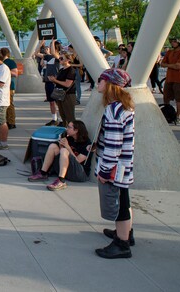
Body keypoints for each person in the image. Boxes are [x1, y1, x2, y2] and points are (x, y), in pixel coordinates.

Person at [94, 68, 135, 259]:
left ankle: (122, 243)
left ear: (110, 84)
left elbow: (113, 146)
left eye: (101, 80)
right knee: (124, 201)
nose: (97, 83)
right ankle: (126, 233)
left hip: (115, 169)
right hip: (123, 166)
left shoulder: (113, 111)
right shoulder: (123, 107)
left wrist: (104, 170)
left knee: (119, 206)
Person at [28, 120, 92, 189]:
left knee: (64, 150)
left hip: (80, 174)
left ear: (76, 130)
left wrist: (67, 147)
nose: (66, 129)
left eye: (69, 127)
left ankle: (61, 181)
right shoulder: (70, 138)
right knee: (53, 146)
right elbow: (61, 153)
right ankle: (43, 173)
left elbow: (77, 161)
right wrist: (61, 145)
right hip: (68, 171)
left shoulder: (87, 144)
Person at [161, 37, 180, 123]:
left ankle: (178, 116)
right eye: (171, 41)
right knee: (166, 96)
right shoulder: (169, 52)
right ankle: (168, 113)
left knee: (179, 99)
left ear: (179, 43)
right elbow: (162, 64)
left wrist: (168, 65)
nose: (172, 43)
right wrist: (172, 65)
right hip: (169, 78)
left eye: (175, 41)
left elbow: (178, 66)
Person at [48, 52, 77, 126]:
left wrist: (55, 80)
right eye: (59, 58)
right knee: (63, 115)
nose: (59, 60)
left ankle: (72, 132)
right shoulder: (61, 70)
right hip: (60, 95)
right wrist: (53, 80)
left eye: (61, 58)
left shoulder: (71, 70)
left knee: (69, 116)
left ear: (68, 60)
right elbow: (60, 82)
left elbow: (67, 84)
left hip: (68, 95)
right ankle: (66, 131)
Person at [35, 39, 60, 126]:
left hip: (56, 82)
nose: (48, 48)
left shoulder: (58, 57)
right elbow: (36, 53)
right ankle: (54, 119)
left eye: (50, 46)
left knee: (58, 101)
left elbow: (53, 53)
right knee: (51, 101)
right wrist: (40, 44)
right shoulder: (46, 57)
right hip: (48, 81)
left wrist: (52, 42)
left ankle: (63, 118)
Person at [0, 47, 18, 129]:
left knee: (10, 104)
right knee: (6, 105)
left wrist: (6, 70)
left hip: (10, 86)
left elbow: (15, 73)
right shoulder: (1, 62)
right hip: (4, 86)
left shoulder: (10, 62)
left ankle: (11, 122)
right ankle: (7, 120)